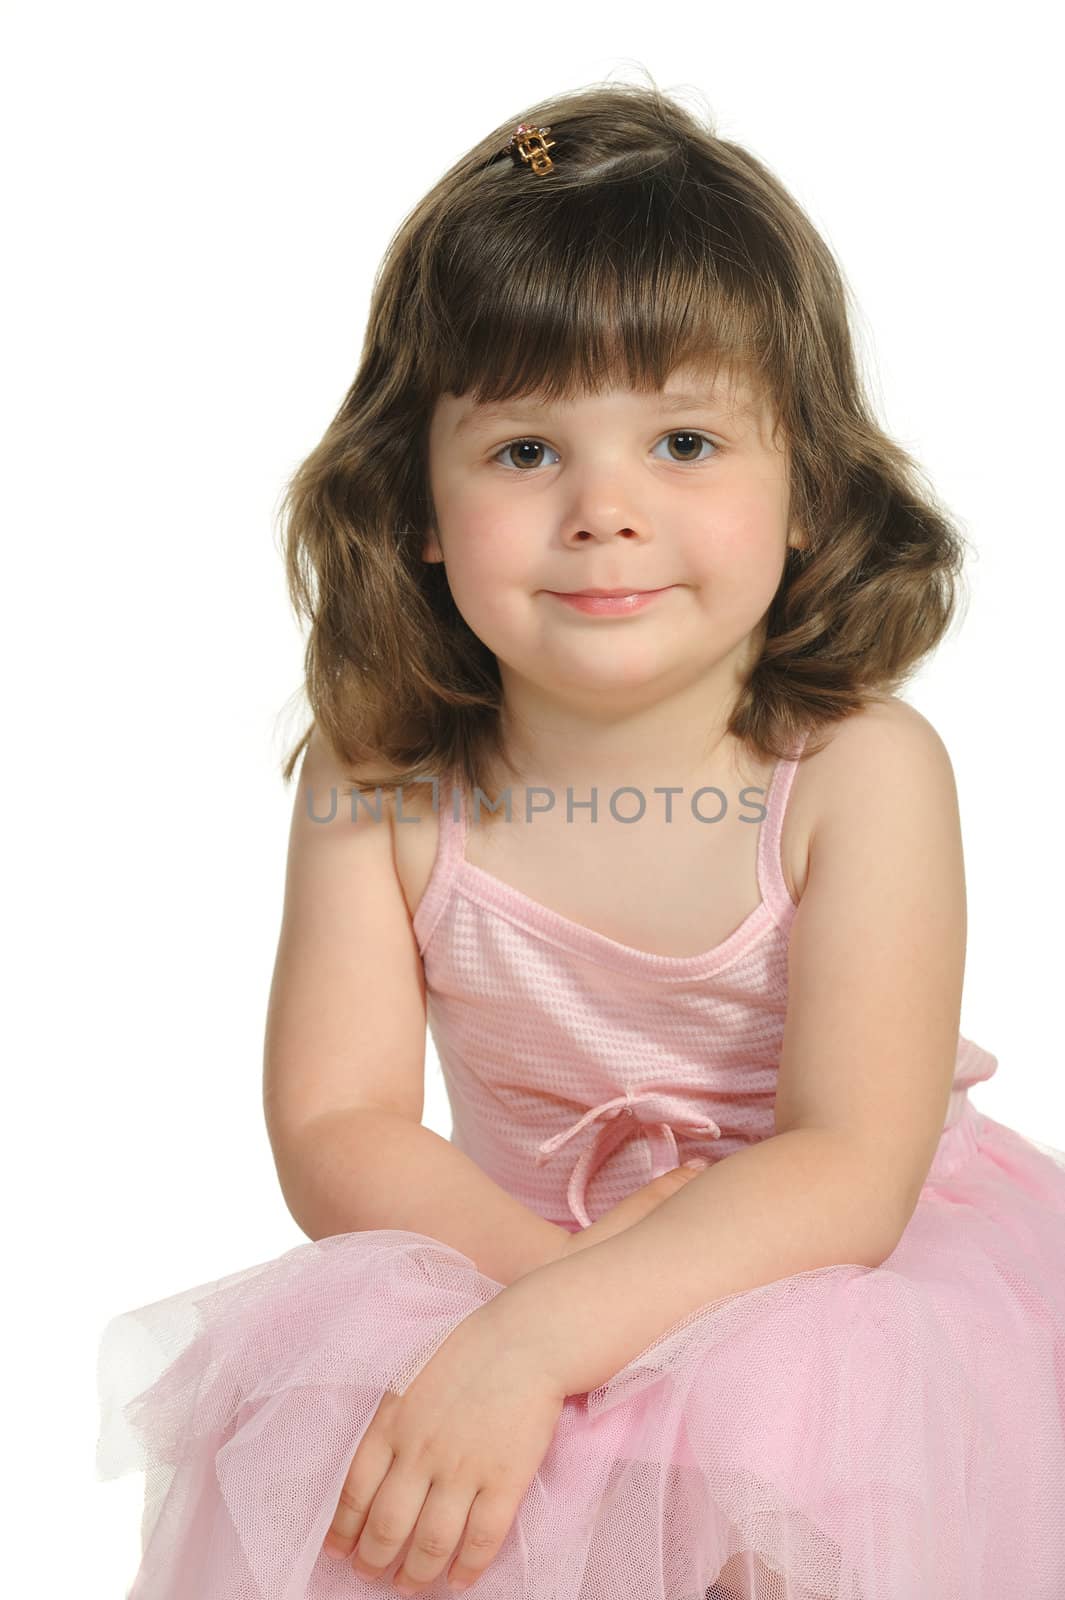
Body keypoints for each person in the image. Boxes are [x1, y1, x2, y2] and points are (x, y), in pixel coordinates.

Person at [96, 77, 1065, 1600]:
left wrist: (554, 1342)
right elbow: (337, 1125)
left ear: (806, 483)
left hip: (821, 1276)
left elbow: (848, 1167)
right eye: (524, 452)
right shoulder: (383, 770)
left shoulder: (860, 771)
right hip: (500, 1247)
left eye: (683, 443)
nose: (603, 509)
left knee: (777, 1463)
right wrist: (537, 1320)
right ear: (413, 498)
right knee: (375, 1473)